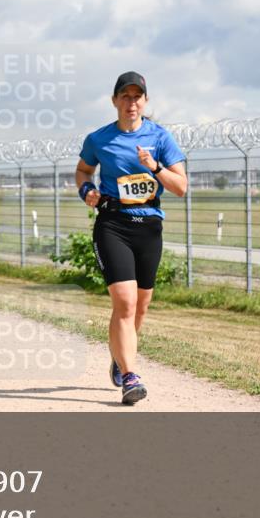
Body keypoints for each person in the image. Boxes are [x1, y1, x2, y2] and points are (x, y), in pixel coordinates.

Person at [74, 71, 188, 405]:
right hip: (113, 224)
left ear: (145, 102)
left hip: (149, 227)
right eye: (125, 96)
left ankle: (120, 356)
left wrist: (154, 167)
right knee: (124, 302)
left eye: (137, 97)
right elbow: (83, 170)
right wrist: (87, 190)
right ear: (114, 101)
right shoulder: (99, 139)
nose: (131, 102)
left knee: (140, 307)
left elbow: (181, 187)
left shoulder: (160, 137)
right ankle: (130, 375)